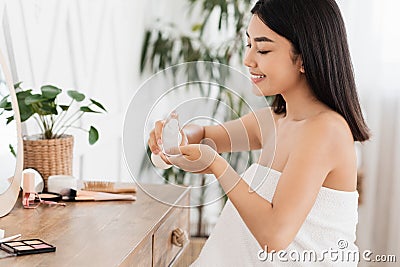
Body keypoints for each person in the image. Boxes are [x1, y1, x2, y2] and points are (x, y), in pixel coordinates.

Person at [148, 0, 370, 265]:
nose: (248, 60)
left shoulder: (325, 131)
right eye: (249, 44)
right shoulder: (274, 120)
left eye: (263, 49)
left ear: (304, 58)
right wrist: (179, 137)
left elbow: (274, 237)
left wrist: (218, 166)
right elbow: (207, 135)